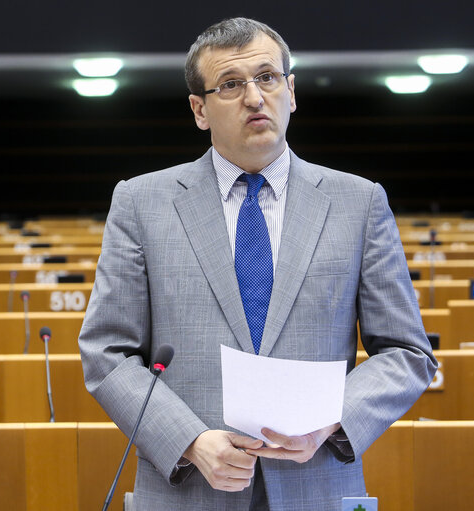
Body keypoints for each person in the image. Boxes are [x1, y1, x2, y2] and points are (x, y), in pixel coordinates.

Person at [78, 17, 437, 511]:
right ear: (199, 110)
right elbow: (106, 351)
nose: (253, 97)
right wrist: (188, 441)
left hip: (317, 483)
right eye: (230, 84)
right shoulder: (141, 202)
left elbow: (406, 351)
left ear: (291, 92)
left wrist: (330, 418)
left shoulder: (360, 202)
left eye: (267, 78)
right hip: (189, 488)